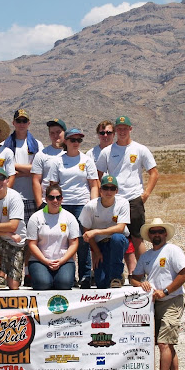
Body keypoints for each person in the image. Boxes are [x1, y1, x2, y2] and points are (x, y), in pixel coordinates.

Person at [130, 218, 185, 370]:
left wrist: (165, 290)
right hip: (154, 304)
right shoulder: (146, 256)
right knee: (166, 343)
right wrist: (142, 285)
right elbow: (134, 277)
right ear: (149, 235)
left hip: (172, 300)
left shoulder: (173, 250)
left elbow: (184, 274)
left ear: (165, 234)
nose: (156, 235)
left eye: (159, 232)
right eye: (153, 232)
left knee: (164, 343)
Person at [96, 115, 159, 278]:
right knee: (114, 237)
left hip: (133, 199)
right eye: (119, 128)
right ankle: (114, 274)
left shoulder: (140, 149)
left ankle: (143, 274)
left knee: (137, 238)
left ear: (130, 129)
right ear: (115, 130)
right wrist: (101, 196)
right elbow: (97, 175)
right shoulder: (107, 151)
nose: (122, 131)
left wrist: (146, 194)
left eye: (125, 128)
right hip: (113, 201)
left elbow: (154, 172)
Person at [46, 128, 99, 288]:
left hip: (82, 204)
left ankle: (85, 275)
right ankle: (65, 275)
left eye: (79, 140)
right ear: (66, 142)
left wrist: (93, 205)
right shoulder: (57, 161)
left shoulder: (87, 160)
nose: (76, 143)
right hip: (62, 204)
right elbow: (53, 185)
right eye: (73, 140)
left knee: (83, 240)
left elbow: (93, 184)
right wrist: (54, 203)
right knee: (63, 239)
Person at [2, 109, 44, 286]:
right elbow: (4, 170)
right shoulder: (5, 144)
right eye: (18, 120)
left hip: (30, 197)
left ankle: (26, 271)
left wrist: (15, 170)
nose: (21, 124)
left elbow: (37, 169)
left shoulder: (37, 145)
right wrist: (25, 170)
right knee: (9, 236)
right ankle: (5, 273)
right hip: (10, 197)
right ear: (13, 123)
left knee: (29, 236)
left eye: (24, 121)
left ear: (29, 123)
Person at [78, 175, 130, 289]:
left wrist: (96, 231)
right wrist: (96, 252)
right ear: (100, 190)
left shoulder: (123, 203)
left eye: (112, 188)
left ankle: (116, 276)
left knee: (117, 238)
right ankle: (114, 274)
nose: (109, 191)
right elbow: (86, 231)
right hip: (100, 244)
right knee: (101, 283)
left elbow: (120, 228)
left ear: (117, 191)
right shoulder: (90, 207)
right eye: (106, 188)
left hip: (119, 241)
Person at [26, 184, 79, 290]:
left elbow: (74, 243)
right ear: (46, 199)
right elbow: (31, 244)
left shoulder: (69, 217)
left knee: (64, 284)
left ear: (62, 199)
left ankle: (56, 278)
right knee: (43, 284)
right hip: (40, 260)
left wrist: (62, 260)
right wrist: (45, 261)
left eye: (58, 197)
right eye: (51, 197)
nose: (55, 201)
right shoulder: (36, 217)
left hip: (63, 260)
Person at [31, 118, 67, 208]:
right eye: (52, 133)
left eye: (58, 132)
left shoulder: (71, 153)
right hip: (48, 202)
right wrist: (40, 204)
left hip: (68, 202)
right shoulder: (42, 155)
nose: (55, 135)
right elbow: (36, 180)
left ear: (64, 133)